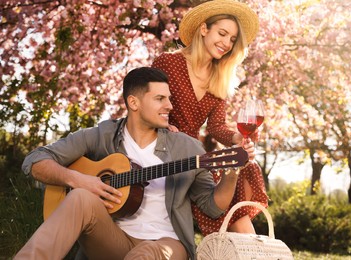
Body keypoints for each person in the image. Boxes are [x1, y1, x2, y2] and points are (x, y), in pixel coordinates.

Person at [15, 67, 254, 260]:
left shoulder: (188, 147)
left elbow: (213, 207)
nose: (170, 106)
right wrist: (78, 180)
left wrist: (232, 172)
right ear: (134, 102)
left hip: (166, 245)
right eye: (160, 98)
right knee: (79, 196)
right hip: (112, 239)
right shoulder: (104, 135)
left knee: (145, 255)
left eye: (169, 98)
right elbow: (35, 161)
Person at [152, 0, 268, 236]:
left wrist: (237, 137)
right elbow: (148, 103)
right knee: (228, 186)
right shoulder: (168, 62)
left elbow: (215, 128)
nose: (226, 43)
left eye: (232, 39)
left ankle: (250, 250)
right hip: (161, 146)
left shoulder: (219, 78)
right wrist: (163, 123)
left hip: (194, 154)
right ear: (204, 29)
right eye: (222, 33)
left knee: (242, 162)